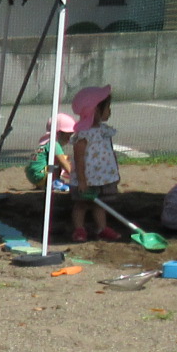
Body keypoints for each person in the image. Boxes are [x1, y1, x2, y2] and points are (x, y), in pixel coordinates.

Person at [68, 85, 122, 243]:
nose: (110, 111)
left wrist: (115, 172)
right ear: (95, 110)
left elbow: (110, 152)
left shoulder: (104, 130)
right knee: (81, 204)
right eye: (107, 107)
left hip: (102, 177)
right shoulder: (83, 134)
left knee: (101, 204)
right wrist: (82, 180)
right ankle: (79, 229)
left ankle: (102, 228)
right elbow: (79, 158)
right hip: (87, 178)